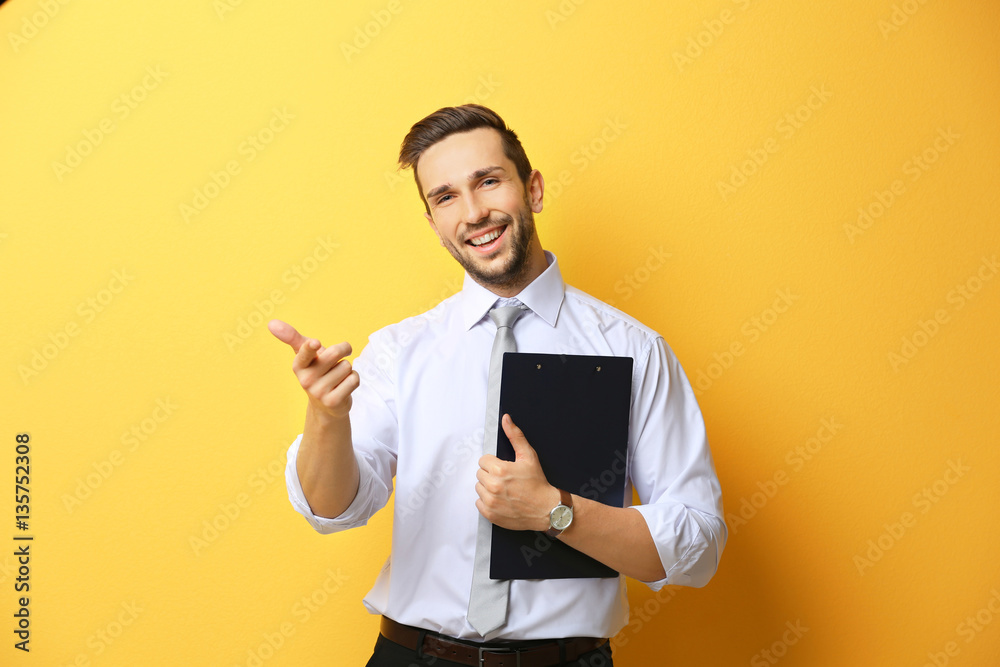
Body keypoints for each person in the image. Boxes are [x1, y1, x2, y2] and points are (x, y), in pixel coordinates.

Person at [270, 104, 726, 667]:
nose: (474, 212)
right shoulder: (399, 351)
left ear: (532, 189)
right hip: (412, 655)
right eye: (445, 197)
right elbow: (332, 510)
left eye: (489, 181)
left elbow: (698, 545)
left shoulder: (633, 350)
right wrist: (326, 419)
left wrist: (554, 512)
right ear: (433, 221)